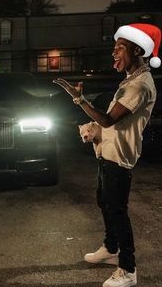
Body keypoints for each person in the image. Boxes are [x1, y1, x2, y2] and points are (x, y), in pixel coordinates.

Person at [53, 23, 161, 287]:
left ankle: (128, 269)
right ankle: (111, 248)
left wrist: (79, 100)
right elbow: (110, 124)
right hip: (107, 152)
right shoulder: (130, 80)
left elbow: (110, 120)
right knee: (105, 203)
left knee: (117, 210)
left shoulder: (139, 86)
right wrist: (94, 130)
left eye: (119, 48)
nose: (114, 54)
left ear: (137, 49)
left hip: (119, 157)